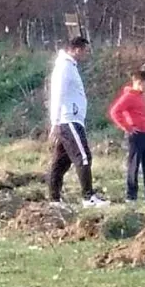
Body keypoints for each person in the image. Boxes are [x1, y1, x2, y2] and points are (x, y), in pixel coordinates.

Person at [47, 36, 110, 208]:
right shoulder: (64, 67)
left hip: (73, 119)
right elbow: (58, 94)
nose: (85, 55)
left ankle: (54, 200)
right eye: (85, 51)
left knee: (62, 161)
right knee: (83, 156)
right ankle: (88, 197)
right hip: (68, 119)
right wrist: (56, 121)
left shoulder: (70, 67)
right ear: (76, 49)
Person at [108, 69, 145, 203]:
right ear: (138, 82)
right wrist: (127, 127)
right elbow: (115, 111)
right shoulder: (128, 96)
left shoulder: (141, 96)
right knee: (134, 164)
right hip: (135, 135)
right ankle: (131, 195)